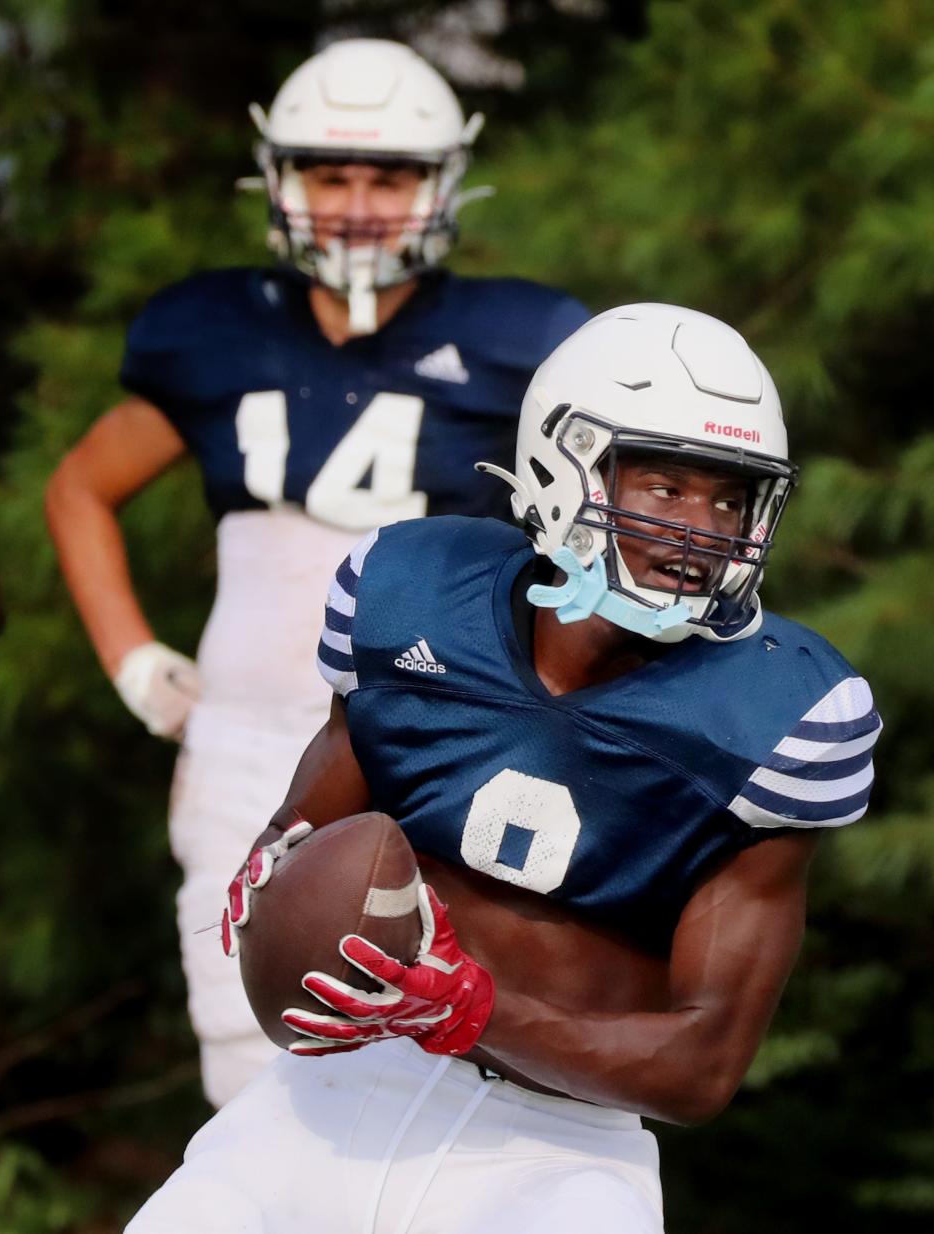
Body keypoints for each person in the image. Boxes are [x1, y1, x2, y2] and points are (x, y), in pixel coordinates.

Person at [124, 304, 882, 1234]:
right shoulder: (412, 591)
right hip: (334, 1094)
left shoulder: (777, 713)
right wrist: (273, 871)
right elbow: (313, 836)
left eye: (730, 498)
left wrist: (473, 1008)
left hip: (555, 1150)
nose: (701, 532)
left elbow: (702, 1066)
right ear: (562, 467)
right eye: (665, 488)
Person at [44, 38, 590, 1106]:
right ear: (279, 179)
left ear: (441, 184)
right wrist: (133, 659)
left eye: (388, 175)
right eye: (330, 173)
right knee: (249, 1043)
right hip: (248, 739)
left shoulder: (523, 340)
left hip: (443, 736)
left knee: (451, 1042)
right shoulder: (213, 330)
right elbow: (79, 488)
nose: (357, 204)